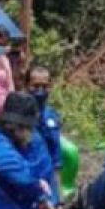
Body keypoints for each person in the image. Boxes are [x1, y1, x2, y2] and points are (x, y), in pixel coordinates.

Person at [23, 64, 63, 201]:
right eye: (36, 86)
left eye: (44, 86)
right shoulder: (18, 117)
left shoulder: (53, 117)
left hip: (48, 183)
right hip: (26, 182)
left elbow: (56, 159)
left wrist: (59, 198)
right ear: (26, 85)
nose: (40, 91)